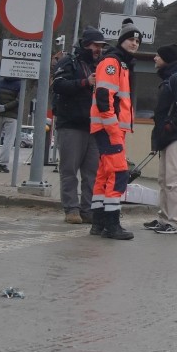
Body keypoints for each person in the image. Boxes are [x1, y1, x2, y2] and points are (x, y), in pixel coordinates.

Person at [90, 19, 141, 240]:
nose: (135, 43)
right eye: (131, 39)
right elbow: (104, 98)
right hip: (109, 128)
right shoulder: (113, 62)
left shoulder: (120, 63)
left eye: (138, 40)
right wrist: (112, 130)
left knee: (105, 174)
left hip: (109, 128)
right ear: (122, 41)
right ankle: (111, 224)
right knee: (119, 173)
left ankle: (99, 223)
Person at [52, 26, 107, 225]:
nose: (98, 49)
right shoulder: (69, 62)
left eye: (101, 46)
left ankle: (88, 209)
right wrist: (85, 82)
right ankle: (71, 209)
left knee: (92, 172)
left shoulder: (102, 65)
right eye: (95, 45)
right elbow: (58, 85)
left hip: (94, 125)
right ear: (85, 44)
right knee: (69, 169)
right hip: (71, 124)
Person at [143, 43, 177, 235]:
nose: (154, 59)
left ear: (167, 59)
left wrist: (170, 125)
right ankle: (164, 219)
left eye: (158, 56)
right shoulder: (170, 77)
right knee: (164, 180)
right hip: (168, 137)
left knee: (174, 181)